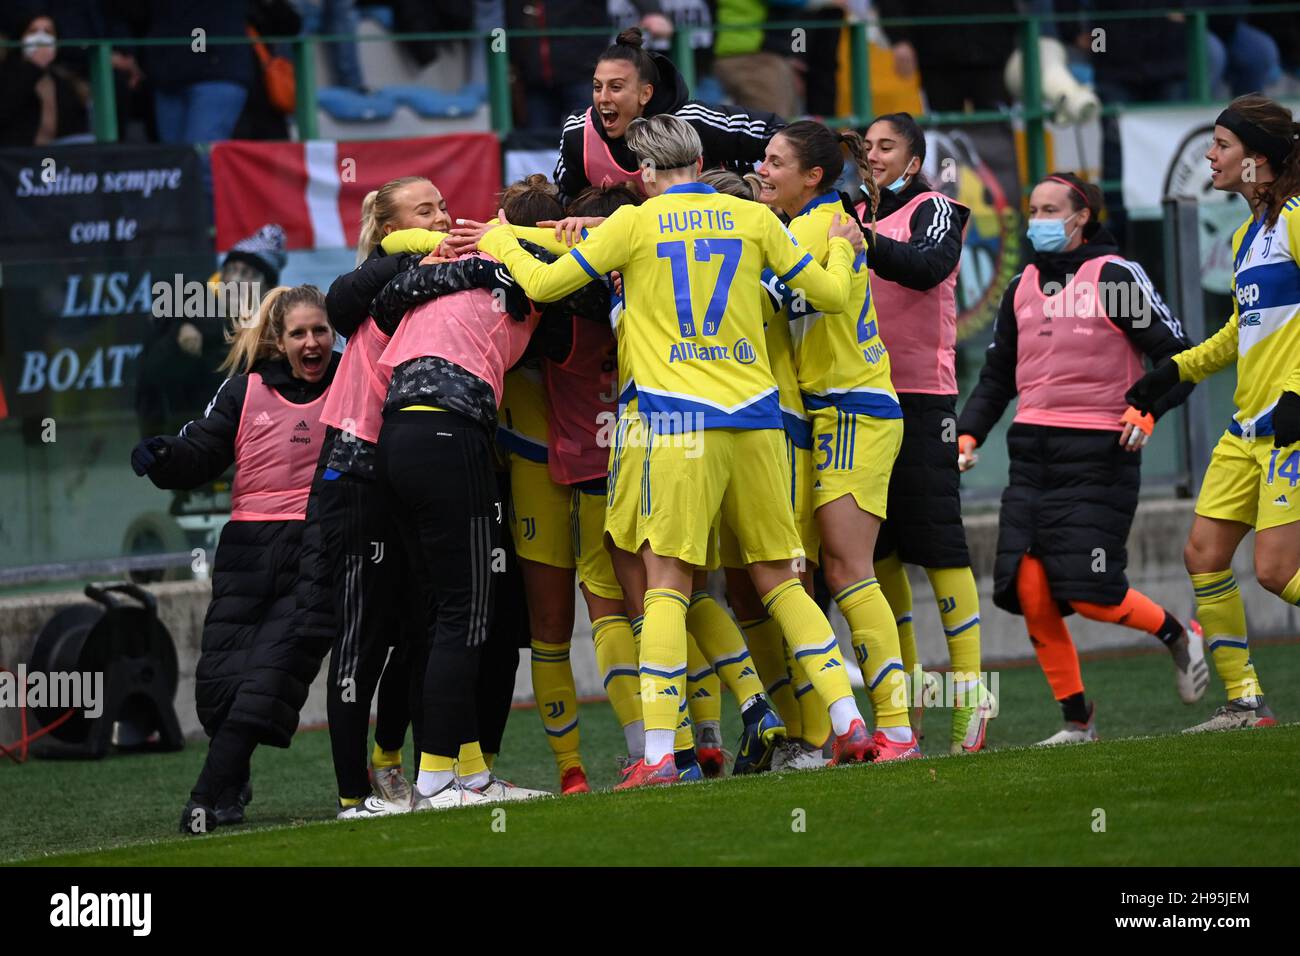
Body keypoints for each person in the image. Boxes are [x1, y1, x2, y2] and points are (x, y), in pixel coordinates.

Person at [480, 114, 881, 788]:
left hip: (678, 426)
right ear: (699, 161)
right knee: (780, 577)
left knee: (666, 585)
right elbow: (834, 295)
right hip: (757, 424)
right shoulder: (751, 219)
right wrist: (843, 245)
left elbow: (546, 287)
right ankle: (848, 721)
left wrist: (501, 241)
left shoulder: (635, 224)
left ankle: (661, 754)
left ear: (642, 172)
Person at [957, 171, 1207, 745]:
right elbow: (996, 379)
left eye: (1050, 209)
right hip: (1031, 457)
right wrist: (968, 435)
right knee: (1029, 588)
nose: (1038, 219)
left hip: (1099, 455)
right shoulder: (1020, 284)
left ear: (1082, 217)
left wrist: (1147, 409)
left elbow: (1181, 360)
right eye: (1033, 209)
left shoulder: (1112, 276)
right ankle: (1077, 720)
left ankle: (1177, 633)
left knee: (1091, 592)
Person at [304, 177, 522, 819]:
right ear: (391, 228)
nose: (445, 217)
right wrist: (470, 260)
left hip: (397, 466)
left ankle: (423, 769)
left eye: (445, 206)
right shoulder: (377, 285)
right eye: (425, 210)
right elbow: (351, 295)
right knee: (363, 641)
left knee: (431, 627)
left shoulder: (436, 275)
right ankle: (355, 796)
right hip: (358, 471)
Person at [130, 285, 340, 834]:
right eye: (299, 333)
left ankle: (203, 797)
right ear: (277, 340)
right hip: (247, 551)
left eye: (321, 330)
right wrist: (164, 456)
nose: (313, 342)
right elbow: (201, 450)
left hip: (319, 551)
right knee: (219, 687)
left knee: (265, 680)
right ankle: (233, 782)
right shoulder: (242, 391)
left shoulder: (352, 380)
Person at [1128, 94, 1300, 733]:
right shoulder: (1246, 235)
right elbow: (1239, 332)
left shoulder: (1296, 221)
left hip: (1289, 424)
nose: (1209, 155)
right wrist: (1174, 371)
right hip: (1246, 427)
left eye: (1222, 146)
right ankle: (1245, 702)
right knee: (1203, 553)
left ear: (1258, 160)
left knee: (1277, 571)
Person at [756, 119, 921, 761]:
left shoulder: (814, 226)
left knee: (849, 571)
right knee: (833, 571)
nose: (762, 172)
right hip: (835, 409)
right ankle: (858, 729)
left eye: (774, 163)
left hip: (852, 407)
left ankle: (897, 731)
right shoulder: (823, 221)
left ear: (812, 176)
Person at [857, 112, 995, 754]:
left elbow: (930, 266)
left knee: (941, 549)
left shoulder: (936, 208)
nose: (874, 154)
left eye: (888, 146)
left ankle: (973, 702)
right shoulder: (848, 213)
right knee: (878, 556)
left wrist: (868, 245)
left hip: (921, 400)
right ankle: (901, 713)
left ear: (912, 162)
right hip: (859, 401)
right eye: (868, 145)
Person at [554, 27, 783, 204]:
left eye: (615, 87)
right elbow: (567, 199)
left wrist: (769, 189)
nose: (602, 98)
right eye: (597, 87)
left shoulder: (693, 120)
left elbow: (781, 133)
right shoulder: (579, 133)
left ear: (645, 94)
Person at [0, 11, 89, 146]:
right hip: (14, 161)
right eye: (33, 31)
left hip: (56, 161)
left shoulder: (65, 83)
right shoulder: (6, 74)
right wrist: (34, 67)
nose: (41, 38)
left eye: (48, 32)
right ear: (21, 39)